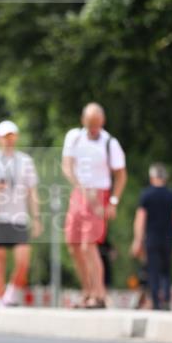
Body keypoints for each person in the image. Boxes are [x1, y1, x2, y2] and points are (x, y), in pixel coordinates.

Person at [62, 103, 127, 308]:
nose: (94, 129)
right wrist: (80, 187)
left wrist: (113, 202)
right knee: (73, 245)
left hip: (100, 194)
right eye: (90, 124)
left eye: (97, 125)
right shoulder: (74, 137)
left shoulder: (110, 143)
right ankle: (87, 291)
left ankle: (99, 295)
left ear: (103, 122)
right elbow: (67, 166)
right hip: (79, 193)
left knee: (88, 245)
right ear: (83, 121)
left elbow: (121, 175)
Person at [0, 120, 41, 306]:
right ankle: (0, 298)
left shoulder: (26, 161)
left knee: (23, 261)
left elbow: (32, 192)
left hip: (19, 216)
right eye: (5, 137)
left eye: (11, 136)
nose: (8, 140)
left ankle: (11, 293)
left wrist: (36, 218)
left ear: (16, 137)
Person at [131, 163, 172, 310]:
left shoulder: (146, 195)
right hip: (168, 238)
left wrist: (138, 240)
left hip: (152, 238)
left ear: (152, 177)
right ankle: (167, 300)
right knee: (166, 270)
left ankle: (156, 302)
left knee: (153, 270)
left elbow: (140, 219)